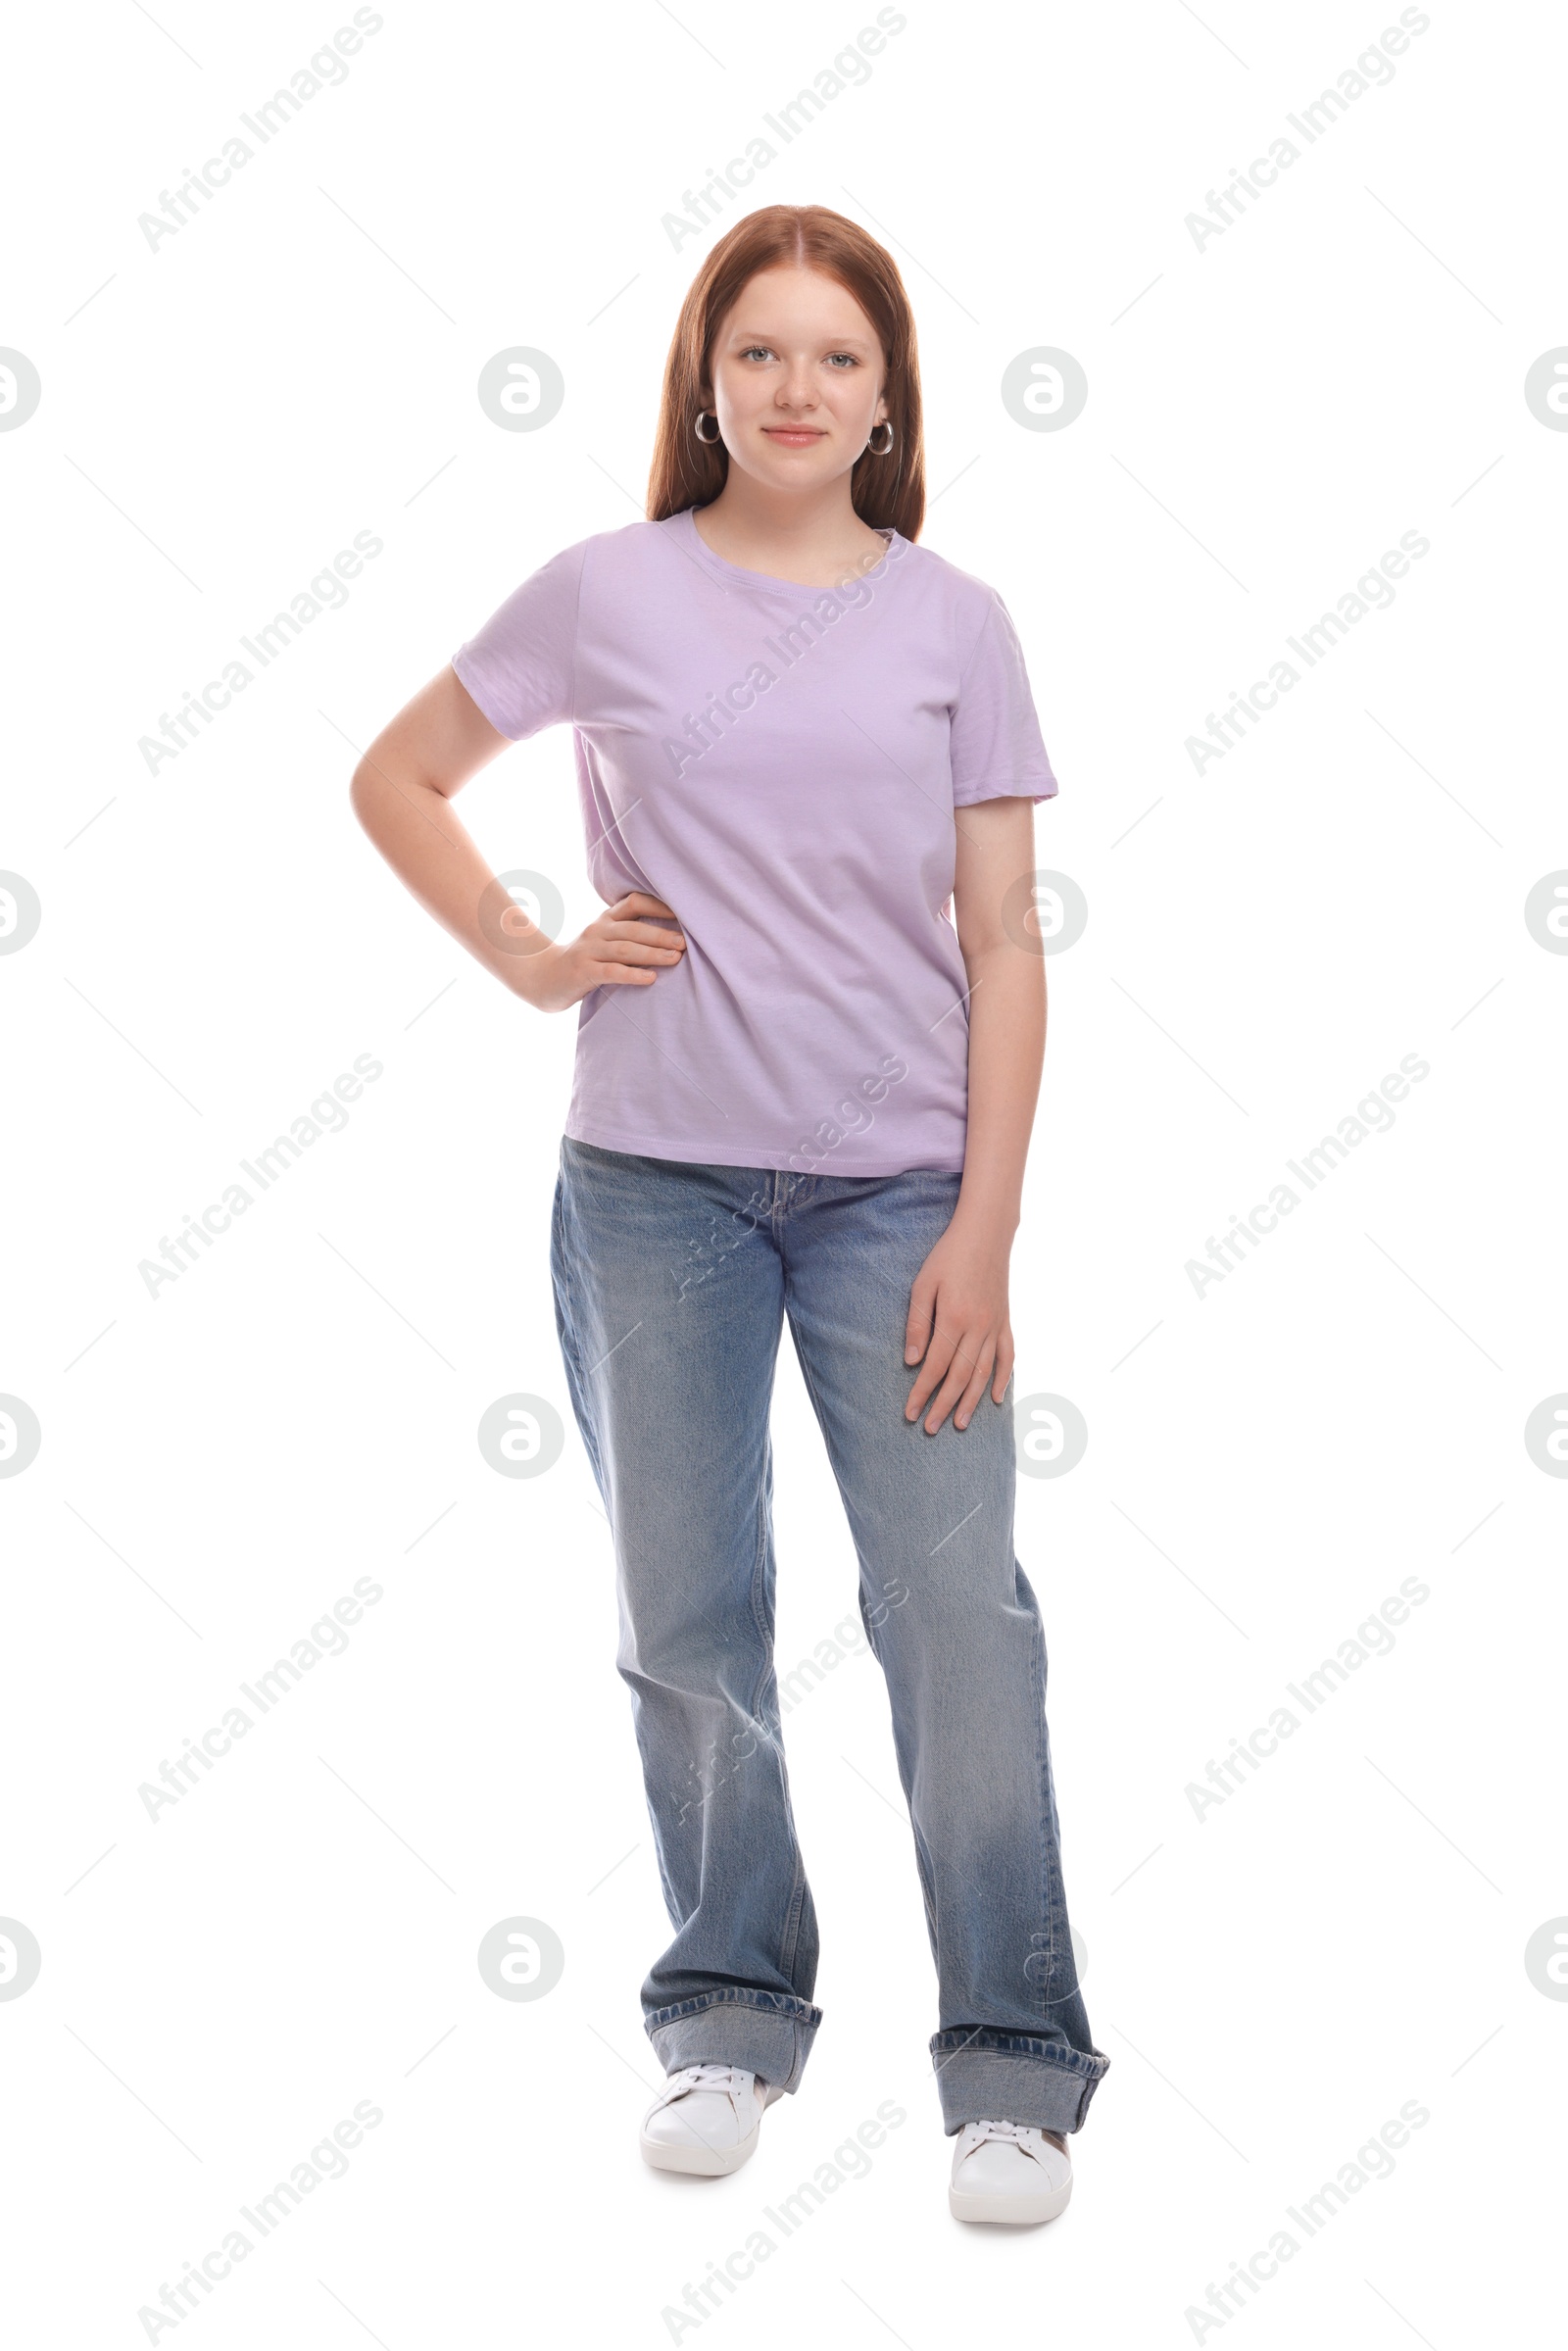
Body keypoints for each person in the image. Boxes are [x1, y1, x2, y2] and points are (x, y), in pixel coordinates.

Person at [350, 202, 1106, 2225]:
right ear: (705, 380)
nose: (795, 389)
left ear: (887, 399)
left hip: (898, 1199)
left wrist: (986, 1231)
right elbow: (400, 775)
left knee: (955, 1621)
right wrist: (529, 959)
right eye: (759, 353)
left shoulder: (954, 620)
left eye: (835, 359)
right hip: (652, 1185)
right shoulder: (604, 593)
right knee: (685, 1623)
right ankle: (726, 2019)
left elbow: (1005, 942)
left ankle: (1010, 2066)